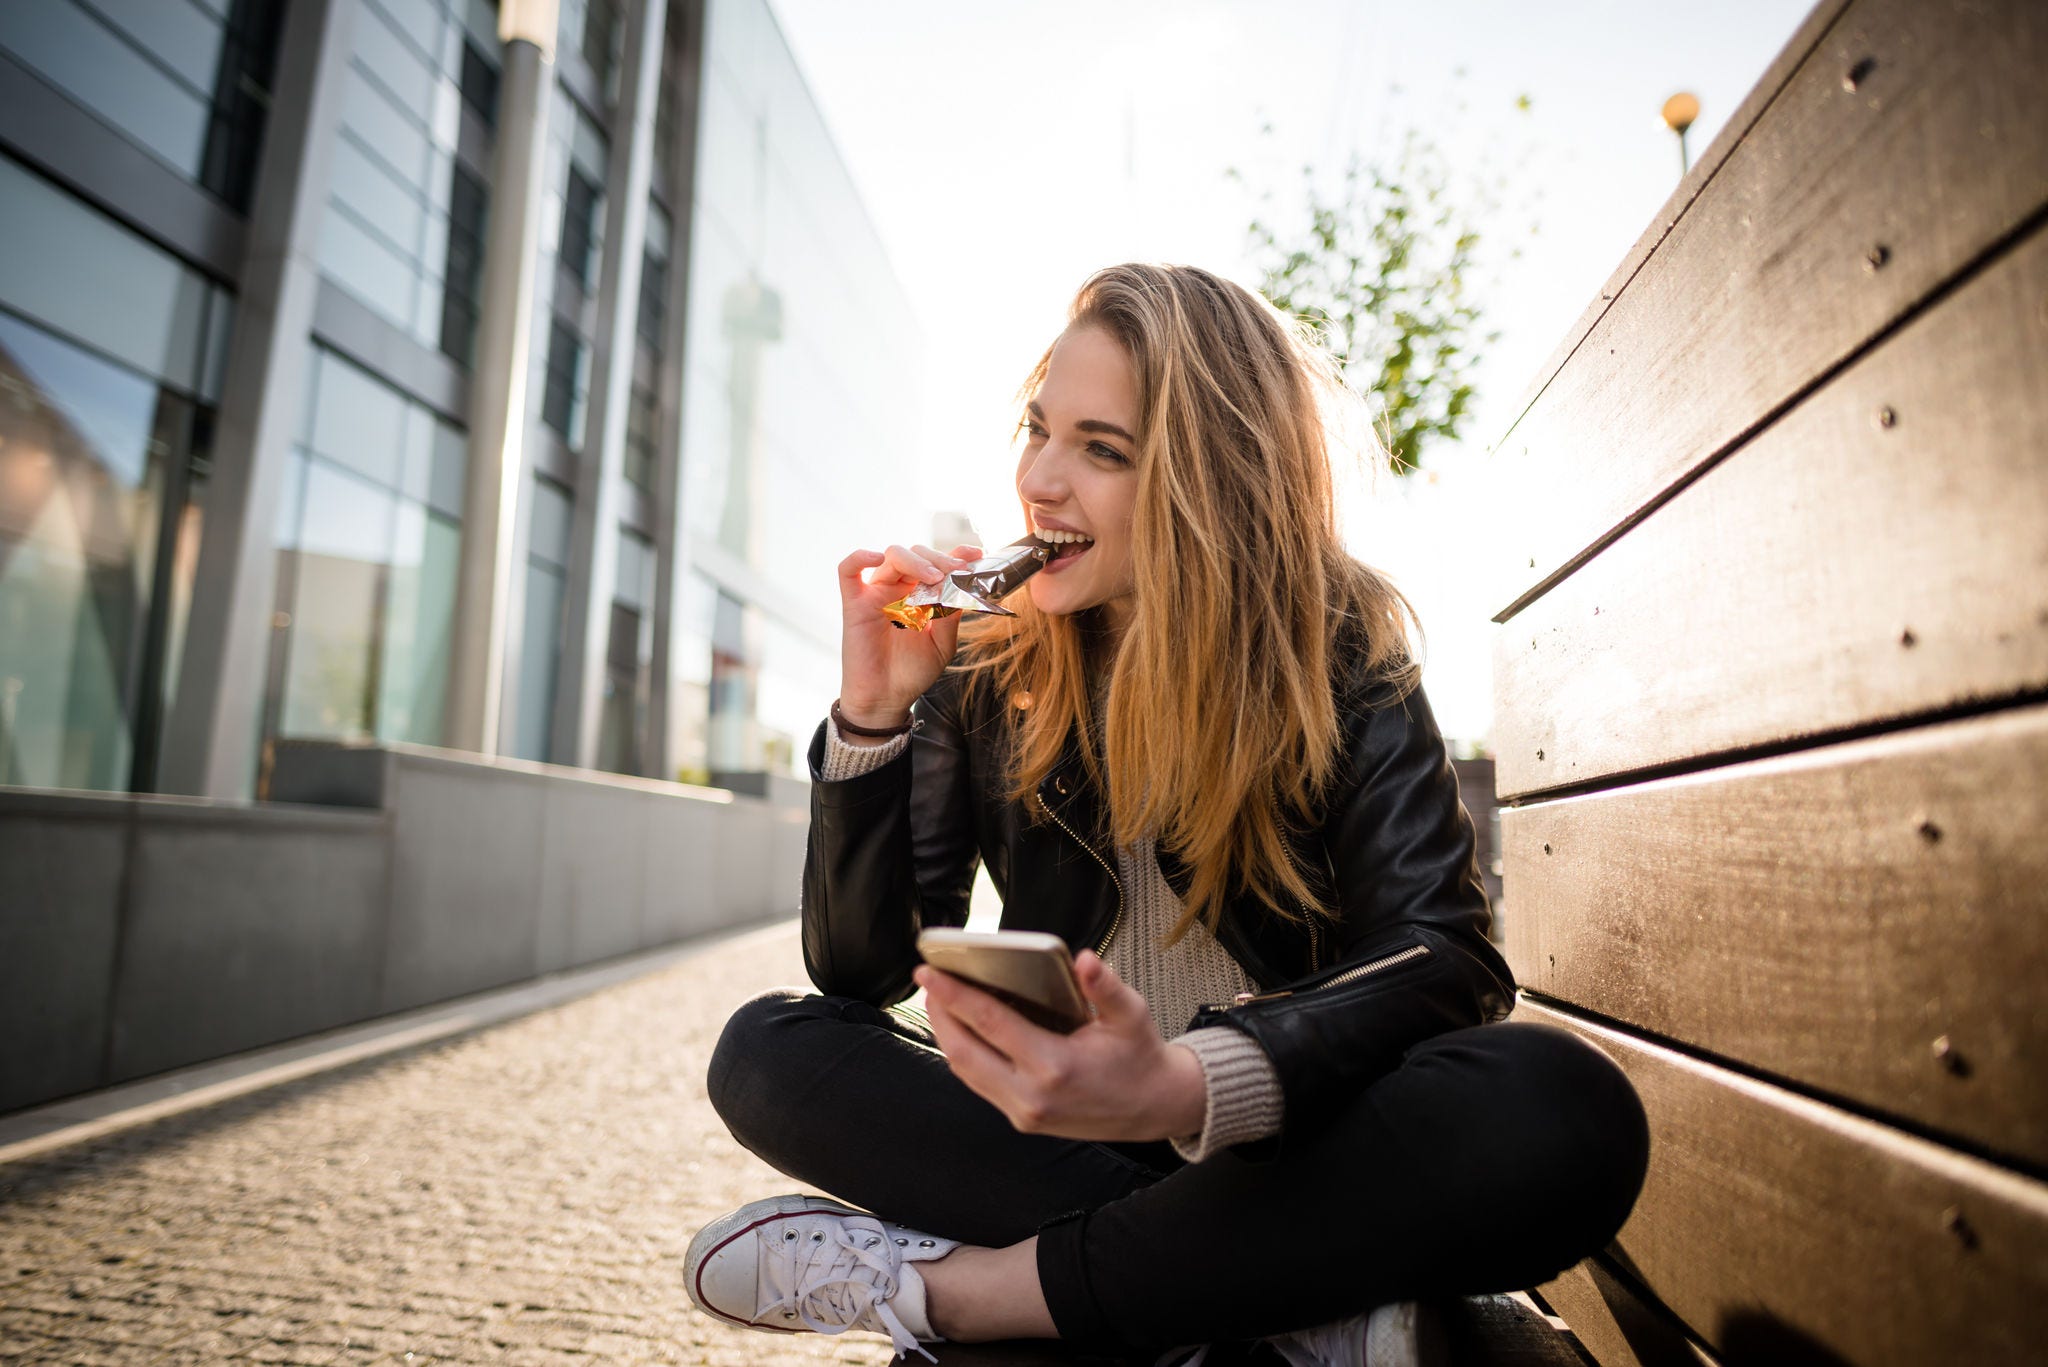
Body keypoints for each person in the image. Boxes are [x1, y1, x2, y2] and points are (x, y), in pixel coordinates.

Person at [688, 264, 1648, 1365]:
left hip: (1281, 1142)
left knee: (1564, 1104)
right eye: (1037, 429)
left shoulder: (1338, 648)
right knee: (767, 1048)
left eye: (1102, 449)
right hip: (1059, 1143)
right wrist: (871, 718)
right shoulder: (985, 664)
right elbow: (861, 973)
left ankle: (972, 1294)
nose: (1041, 479)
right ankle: (1281, 1305)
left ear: (1209, 476)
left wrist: (1183, 1078)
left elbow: (1442, 957)